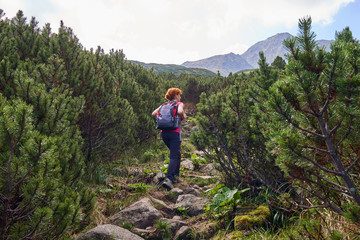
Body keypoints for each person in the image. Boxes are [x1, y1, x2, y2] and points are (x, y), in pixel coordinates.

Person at [152, 88, 187, 190]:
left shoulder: (163, 105)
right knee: (174, 156)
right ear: (176, 95)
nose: (180, 96)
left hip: (164, 134)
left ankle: (176, 175)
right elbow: (180, 111)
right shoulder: (179, 103)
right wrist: (183, 116)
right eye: (179, 95)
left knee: (176, 154)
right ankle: (169, 180)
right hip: (174, 133)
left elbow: (154, 113)